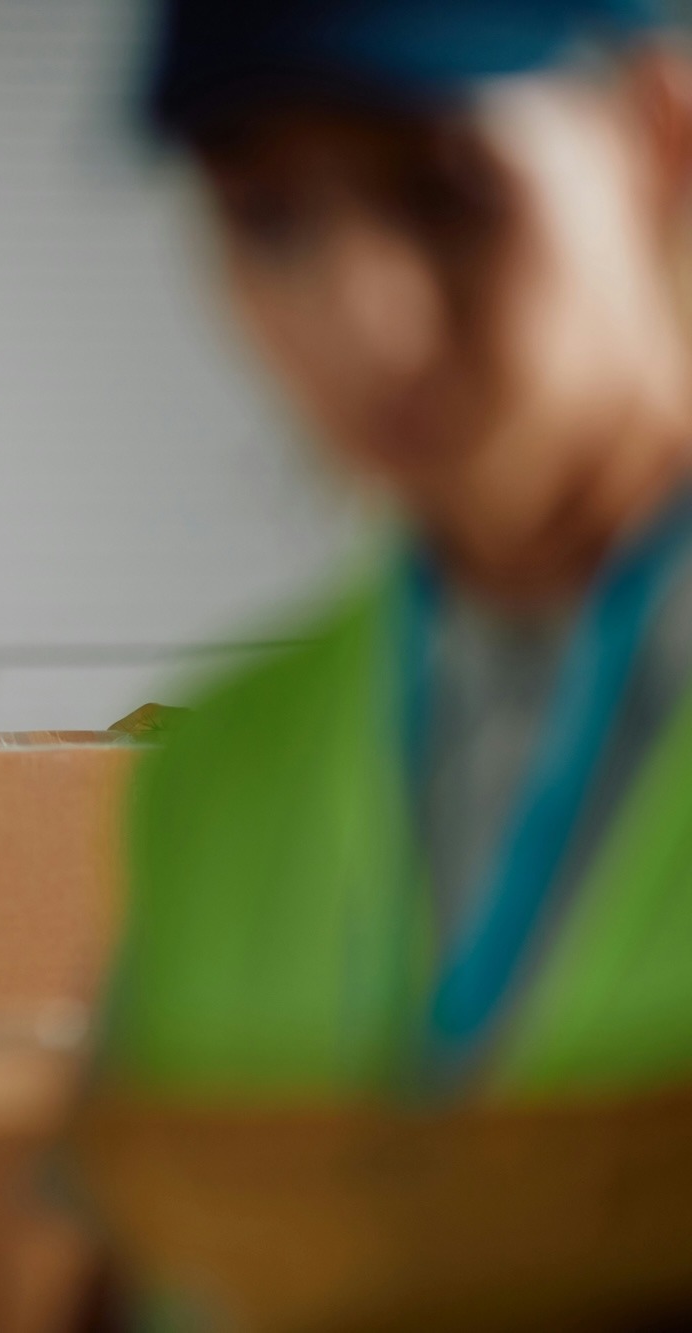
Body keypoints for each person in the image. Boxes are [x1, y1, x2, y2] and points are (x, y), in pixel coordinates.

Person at [99, 0, 692, 1100]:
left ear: (656, 139)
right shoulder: (221, 777)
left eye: (445, 192)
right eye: (265, 217)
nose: (362, 319)